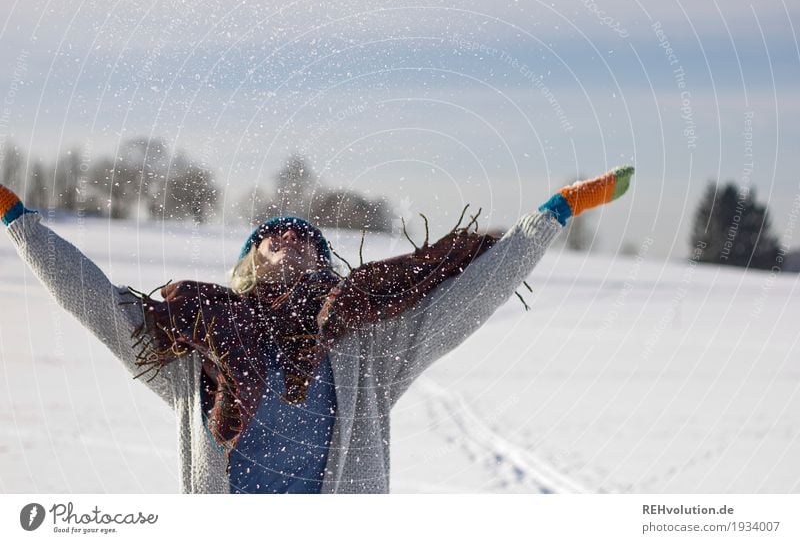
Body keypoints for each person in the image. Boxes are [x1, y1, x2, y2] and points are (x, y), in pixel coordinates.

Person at [0, 165, 634, 493]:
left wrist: (555, 213)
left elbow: (468, 298)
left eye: (306, 238)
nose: (291, 239)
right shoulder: (195, 345)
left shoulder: (367, 349)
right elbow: (95, 302)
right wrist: (17, 221)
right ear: (247, 266)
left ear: (325, 267)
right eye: (272, 238)